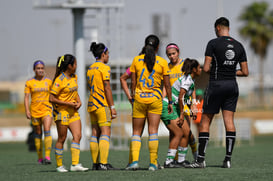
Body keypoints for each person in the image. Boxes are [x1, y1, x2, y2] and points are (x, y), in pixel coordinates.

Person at [186, 17, 249, 169]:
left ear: (218, 28)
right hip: (232, 86)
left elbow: (206, 69)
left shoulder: (213, 43)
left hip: (216, 85)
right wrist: (230, 71)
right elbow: (245, 72)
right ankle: (227, 159)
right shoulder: (239, 46)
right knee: (229, 121)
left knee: (205, 121)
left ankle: (200, 160)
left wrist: (218, 69)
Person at [126, 34, 173, 171]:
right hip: (155, 100)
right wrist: (170, 101)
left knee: (136, 132)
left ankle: (134, 162)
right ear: (158, 47)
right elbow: (167, 85)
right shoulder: (162, 62)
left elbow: (133, 82)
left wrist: (134, 98)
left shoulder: (137, 60)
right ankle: (153, 164)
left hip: (140, 99)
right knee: (153, 132)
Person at [49, 54, 88, 172]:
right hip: (62, 112)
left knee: (78, 136)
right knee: (62, 138)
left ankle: (75, 164)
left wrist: (79, 101)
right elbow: (51, 98)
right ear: (69, 66)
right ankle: (60, 166)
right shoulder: (59, 80)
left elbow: (74, 92)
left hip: (73, 112)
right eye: (75, 64)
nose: (76, 66)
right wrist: (68, 103)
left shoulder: (74, 77)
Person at [161, 58, 202, 168]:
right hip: (167, 107)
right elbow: (180, 97)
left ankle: (181, 161)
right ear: (194, 69)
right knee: (178, 133)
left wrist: (192, 105)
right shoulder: (187, 80)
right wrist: (182, 115)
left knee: (187, 133)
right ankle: (168, 162)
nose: (200, 69)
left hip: (175, 108)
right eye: (199, 68)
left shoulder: (190, 80)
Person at [87, 42, 117, 170]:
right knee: (105, 132)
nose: (108, 56)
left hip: (91, 104)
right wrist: (112, 106)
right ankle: (103, 163)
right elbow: (107, 87)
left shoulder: (90, 68)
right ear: (103, 54)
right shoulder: (105, 68)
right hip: (102, 104)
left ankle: (95, 163)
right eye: (108, 53)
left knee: (95, 133)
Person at [24, 60, 53, 164]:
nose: (40, 70)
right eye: (38, 68)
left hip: (47, 110)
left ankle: (47, 157)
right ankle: (40, 158)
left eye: (42, 68)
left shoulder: (49, 82)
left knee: (47, 129)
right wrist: (27, 110)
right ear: (34, 70)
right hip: (35, 111)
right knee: (38, 133)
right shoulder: (29, 82)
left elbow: (53, 95)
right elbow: (26, 97)